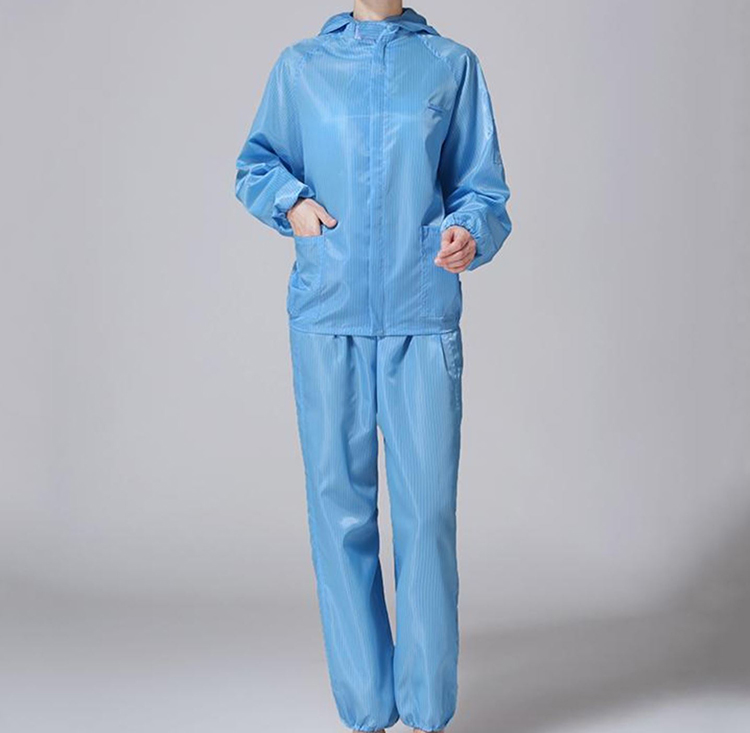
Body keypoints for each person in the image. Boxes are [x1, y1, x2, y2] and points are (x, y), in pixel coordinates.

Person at [235, 2, 511, 730]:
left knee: (427, 514)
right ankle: (365, 707)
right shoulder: (301, 67)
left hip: (421, 309)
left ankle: (426, 710)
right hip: (328, 313)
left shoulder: (450, 65)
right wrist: (292, 204)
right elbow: (256, 163)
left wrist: (469, 230)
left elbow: (482, 188)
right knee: (339, 511)